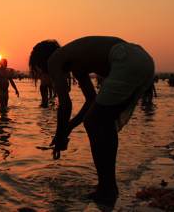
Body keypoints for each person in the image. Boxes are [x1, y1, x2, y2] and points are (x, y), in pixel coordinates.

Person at [29, 36, 154, 205]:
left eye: (37, 73)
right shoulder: (75, 62)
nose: (41, 78)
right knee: (101, 121)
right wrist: (68, 128)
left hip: (126, 59)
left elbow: (65, 105)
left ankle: (107, 188)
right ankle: (108, 187)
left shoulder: (54, 60)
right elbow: (90, 99)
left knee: (95, 122)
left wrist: (59, 136)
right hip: (141, 58)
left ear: (39, 64)